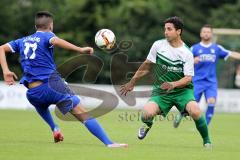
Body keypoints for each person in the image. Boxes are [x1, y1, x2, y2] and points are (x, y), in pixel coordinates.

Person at [0, 11, 127, 148]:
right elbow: (55, 40)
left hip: (33, 93)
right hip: (51, 87)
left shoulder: (22, 41)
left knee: (41, 105)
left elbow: (1, 48)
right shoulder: (48, 36)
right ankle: (109, 143)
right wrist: (80, 49)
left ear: (36, 26)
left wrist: (6, 71)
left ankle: (54, 127)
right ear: (51, 25)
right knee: (82, 113)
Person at [120, 16, 211, 148]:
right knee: (146, 114)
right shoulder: (158, 45)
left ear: (178, 31)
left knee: (196, 111)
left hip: (182, 91)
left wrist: (173, 84)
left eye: (169, 29)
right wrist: (132, 82)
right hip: (161, 91)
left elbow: (188, 78)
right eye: (165, 29)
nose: (166, 32)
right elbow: (146, 66)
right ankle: (147, 125)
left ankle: (207, 141)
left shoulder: (186, 52)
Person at [173, 24, 240, 127]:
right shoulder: (194, 48)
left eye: (208, 32)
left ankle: (205, 126)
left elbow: (231, 53)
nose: (206, 34)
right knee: (192, 106)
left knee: (211, 101)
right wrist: (192, 61)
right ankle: (181, 114)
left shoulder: (216, 48)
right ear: (201, 34)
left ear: (212, 34)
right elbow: (182, 62)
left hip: (211, 82)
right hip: (197, 81)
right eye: (204, 32)